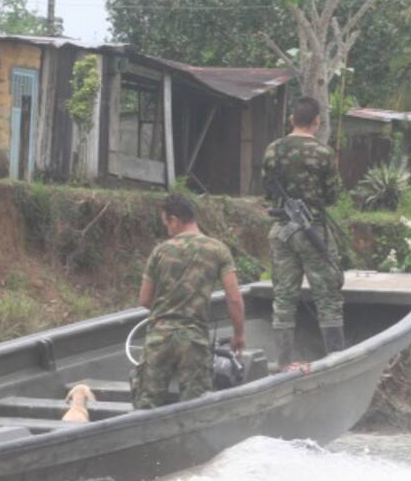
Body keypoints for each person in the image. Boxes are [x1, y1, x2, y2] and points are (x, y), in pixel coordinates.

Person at [133, 194, 246, 409]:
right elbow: (234, 299)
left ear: (174, 220)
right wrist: (239, 334)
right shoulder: (218, 249)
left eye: (166, 224)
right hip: (193, 339)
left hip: (159, 338)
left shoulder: (160, 251)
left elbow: (145, 299)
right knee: (195, 407)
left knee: (145, 406)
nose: (167, 230)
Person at [261, 96, 345, 368]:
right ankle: (336, 361)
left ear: (291, 119)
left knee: (284, 299)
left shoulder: (273, 150)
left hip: (281, 230)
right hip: (312, 231)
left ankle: (283, 364)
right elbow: (332, 196)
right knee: (328, 297)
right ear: (317, 122)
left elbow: (267, 189)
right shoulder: (323, 153)